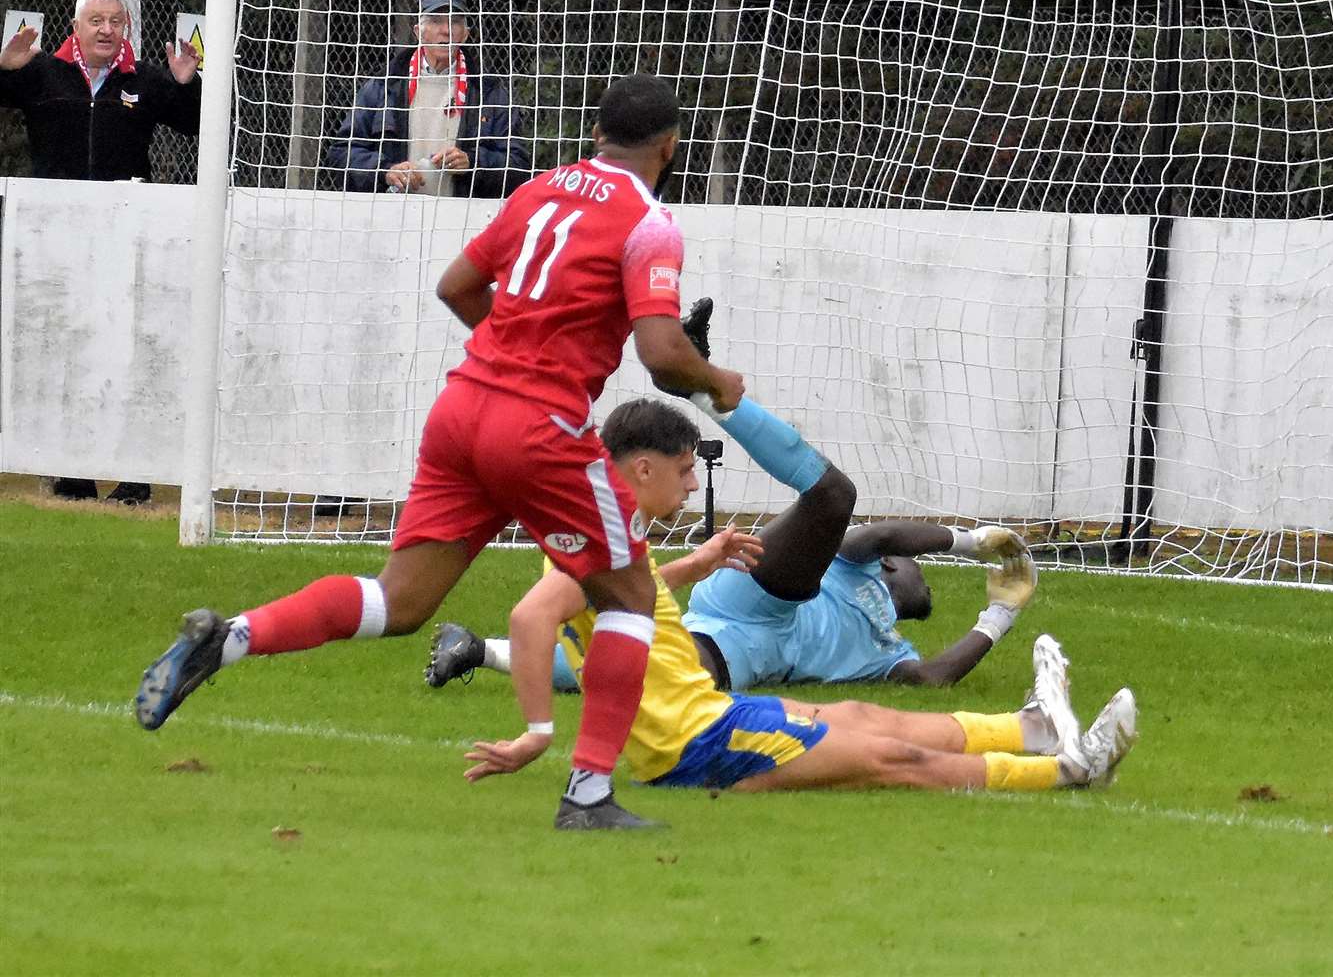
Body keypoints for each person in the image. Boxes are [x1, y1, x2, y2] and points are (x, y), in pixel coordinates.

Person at [134, 74, 746, 831]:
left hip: (462, 410)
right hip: (538, 428)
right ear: (669, 146)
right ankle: (587, 797)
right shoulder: (649, 221)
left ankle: (231, 639)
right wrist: (716, 382)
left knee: (399, 601)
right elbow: (660, 353)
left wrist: (514, 349)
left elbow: (456, 286)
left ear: (595, 136)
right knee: (625, 598)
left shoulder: (539, 189)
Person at [458, 396, 1138, 799]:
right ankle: (1065, 771)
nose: (693, 486)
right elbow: (534, 613)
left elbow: (598, 599)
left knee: (862, 714)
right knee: (887, 762)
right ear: (643, 467)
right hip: (695, 745)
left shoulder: (613, 528)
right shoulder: (594, 530)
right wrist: (537, 734)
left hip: (710, 713)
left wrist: (695, 563)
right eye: (686, 470)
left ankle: (1035, 729)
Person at [427, 387, 1038, 694]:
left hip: (758, 655)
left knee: (647, 669)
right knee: (833, 497)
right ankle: (706, 389)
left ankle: (480, 651)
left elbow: (931, 678)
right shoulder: (853, 568)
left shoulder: (890, 649)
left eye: (908, 565)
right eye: (903, 560)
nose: (904, 564)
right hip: (761, 596)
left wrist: (1001, 612)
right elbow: (879, 533)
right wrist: (974, 540)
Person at [0, 0, 203, 505]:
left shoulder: (145, 79)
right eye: (97, 21)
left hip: (126, 237)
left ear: (126, 28)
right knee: (62, 350)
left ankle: (134, 476)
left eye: (116, 21)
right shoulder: (41, 70)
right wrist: (4, 70)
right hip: (53, 239)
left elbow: (199, 125)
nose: (107, 30)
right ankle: (71, 473)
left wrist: (188, 84)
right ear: (76, 27)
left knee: (127, 351)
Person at [325, 0, 529, 198]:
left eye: (455, 22)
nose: (446, 30)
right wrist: (385, 171)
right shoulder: (384, 85)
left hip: (463, 216)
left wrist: (474, 163)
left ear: (466, 34)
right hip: (393, 212)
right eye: (435, 21)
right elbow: (341, 153)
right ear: (418, 31)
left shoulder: (488, 91)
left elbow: (518, 163)